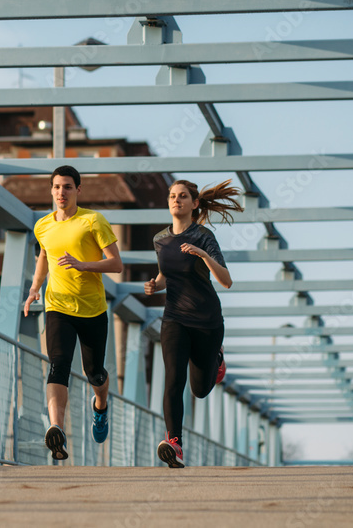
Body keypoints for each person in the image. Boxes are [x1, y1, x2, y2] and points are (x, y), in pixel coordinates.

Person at [24, 165, 123, 461]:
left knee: (94, 372)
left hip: (92, 310)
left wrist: (84, 265)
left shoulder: (93, 220)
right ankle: (57, 428)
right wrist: (34, 288)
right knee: (58, 364)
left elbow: (117, 264)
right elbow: (44, 255)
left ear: (78, 190)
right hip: (58, 307)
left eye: (67, 187)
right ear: (51, 190)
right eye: (56, 187)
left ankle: (101, 406)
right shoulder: (43, 225)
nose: (61, 192)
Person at [145, 179, 242, 468]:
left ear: (194, 204)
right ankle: (174, 443)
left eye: (183, 196)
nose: (177, 200)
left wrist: (202, 254)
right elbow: (165, 274)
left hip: (207, 320)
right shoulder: (159, 239)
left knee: (200, 389)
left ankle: (217, 357)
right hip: (174, 317)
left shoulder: (203, 236)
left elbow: (226, 281)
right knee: (173, 379)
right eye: (173, 196)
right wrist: (155, 285)